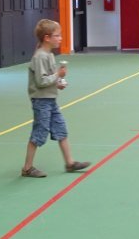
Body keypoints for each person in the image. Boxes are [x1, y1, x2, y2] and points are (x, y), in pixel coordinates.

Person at [22, 19, 90, 178]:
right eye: (57, 36)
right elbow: (41, 81)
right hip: (41, 101)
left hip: (51, 100)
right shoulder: (40, 57)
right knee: (39, 133)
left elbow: (49, 79)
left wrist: (58, 83)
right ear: (47, 38)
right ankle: (27, 168)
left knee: (61, 129)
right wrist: (58, 75)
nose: (60, 38)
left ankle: (70, 163)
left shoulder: (50, 55)